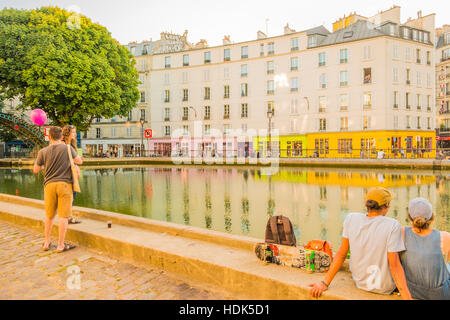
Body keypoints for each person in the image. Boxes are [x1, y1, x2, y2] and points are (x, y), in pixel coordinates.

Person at [309, 187, 412, 299]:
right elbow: (394, 265)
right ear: (386, 205)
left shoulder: (351, 219)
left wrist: (324, 283)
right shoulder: (392, 225)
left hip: (360, 283)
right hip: (384, 288)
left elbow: (341, 254)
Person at [33, 126, 82, 253]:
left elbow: (36, 170)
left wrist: (45, 164)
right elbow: (79, 161)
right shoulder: (67, 148)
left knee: (49, 216)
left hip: (49, 185)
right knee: (64, 216)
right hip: (64, 184)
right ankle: (60, 245)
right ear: (61, 137)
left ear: (49, 136)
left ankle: (47, 242)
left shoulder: (42, 151)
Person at [399, 198, 449, 300]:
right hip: (439, 294)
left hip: (412, 290)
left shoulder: (402, 232)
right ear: (432, 216)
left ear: (409, 216)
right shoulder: (444, 236)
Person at [62, 125, 82, 224]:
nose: (75, 134)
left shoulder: (67, 144)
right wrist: (77, 165)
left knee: (70, 196)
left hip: (65, 174)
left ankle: (67, 216)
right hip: (68, 175)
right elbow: (78, 160)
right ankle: (68, 217)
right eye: (73, 132)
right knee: (71, 196)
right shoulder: (67, 146)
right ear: (68, 133)